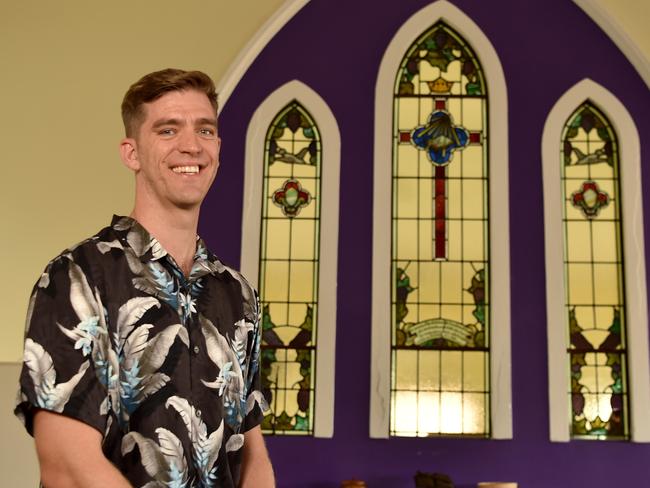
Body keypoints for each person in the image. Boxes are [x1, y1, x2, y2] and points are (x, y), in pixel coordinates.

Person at [15, 68, 275, 487]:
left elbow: (253, 456)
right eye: (168, 130)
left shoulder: (238, 294)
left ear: (219, 149)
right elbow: (66, 465)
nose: (191, 146)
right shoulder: (77, 278)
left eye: (205, 130)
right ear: (131, 153)